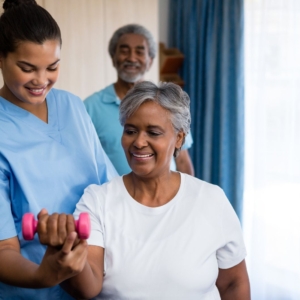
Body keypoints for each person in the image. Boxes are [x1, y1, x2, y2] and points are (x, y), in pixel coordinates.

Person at [37, 81, 251, 299]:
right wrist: (64, 252)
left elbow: (234, 283)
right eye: (130, 131)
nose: (138, 142)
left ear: (179, 138)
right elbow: (87, 288)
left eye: (153, 132)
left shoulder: (211, 200)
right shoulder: (96, 201)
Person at [0, 0, 117, 299]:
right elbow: (3, 249)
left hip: (95, 279)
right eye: (27, 69)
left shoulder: (72, 106)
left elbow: (111, 189)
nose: (41, 81)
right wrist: (45, 275)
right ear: (1, 58)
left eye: (52, 67)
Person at [84, 23, 195, 176]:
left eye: (140, 51)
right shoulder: (90, 108)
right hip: (114, 198)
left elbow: (182, 160)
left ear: (150, 60)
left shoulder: (170, 103)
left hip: (167, 197)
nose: (131, 57)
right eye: (124, 51)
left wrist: (189, 198)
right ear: (113, 58)